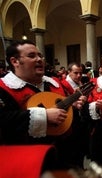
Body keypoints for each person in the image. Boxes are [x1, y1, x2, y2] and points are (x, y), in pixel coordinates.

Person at [0, 40, 87, 168]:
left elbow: (64, 113)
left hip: (65, 157)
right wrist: (44, 116)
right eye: (32, 56)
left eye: (40, 55)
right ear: (15, 61)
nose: (39, 59)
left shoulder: (55, 83)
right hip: (27, 162)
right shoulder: (3, 88)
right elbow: (4, 120)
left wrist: (73, 106)